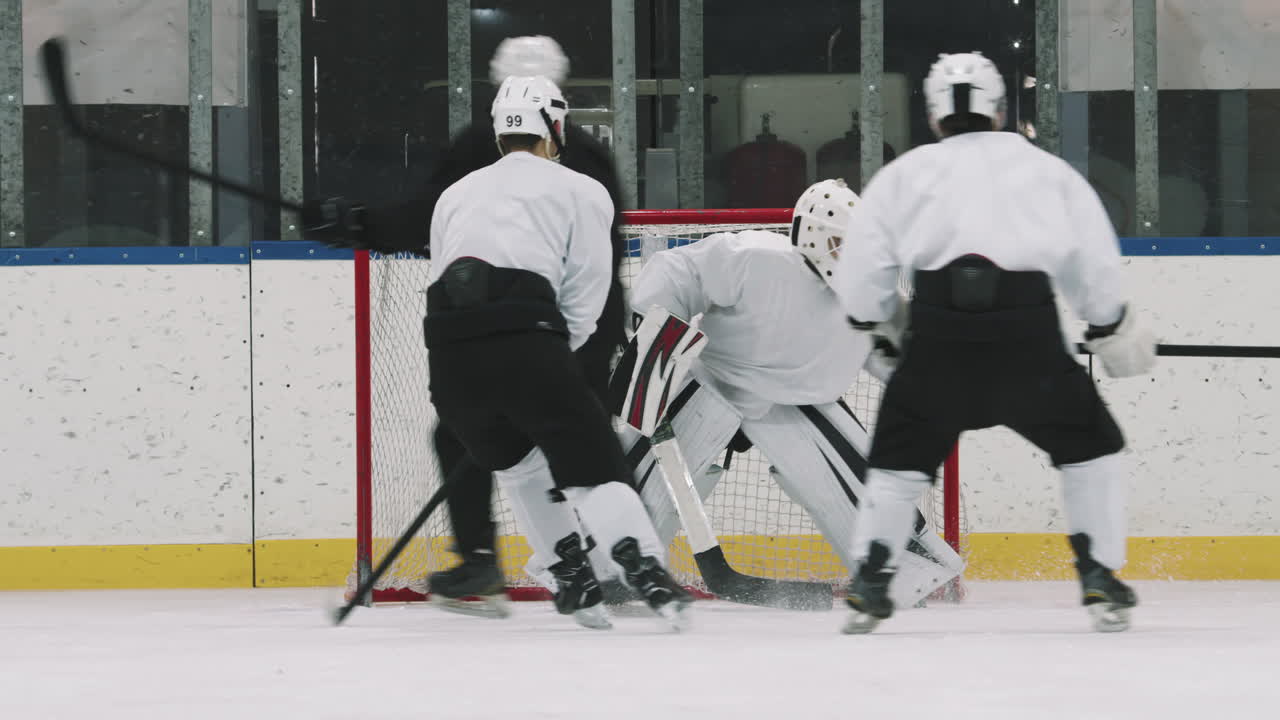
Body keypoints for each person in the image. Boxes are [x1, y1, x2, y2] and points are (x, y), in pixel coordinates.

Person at [832, 52, 1157, 634]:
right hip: (1027, 345)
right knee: (1091, 449)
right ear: (1002, 110)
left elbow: (862, 274)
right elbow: (1093, 263)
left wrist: (879, 325)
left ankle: (871, 578)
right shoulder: (1048, 172)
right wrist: (1108, 326)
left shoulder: (905, 175)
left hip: (936, 344)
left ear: (933, 115)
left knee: (898, 463)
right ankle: (1100, 576)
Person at [304, 36, 633, 607]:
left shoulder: (484, 145)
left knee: (467, 433)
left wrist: (358, 224)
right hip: (579, 324)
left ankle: (485, 558)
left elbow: (426, 219)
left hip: (506, 327)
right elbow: (603, 255)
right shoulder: (583, 150)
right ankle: (616, 561)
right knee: (581, 441)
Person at [423, 73, 691, 630]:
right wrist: (547, 357)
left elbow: (444, 277)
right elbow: (587, 293)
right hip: (527, 331)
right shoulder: (582, 189)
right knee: (590, 458)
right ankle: (641, 565)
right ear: (555, 126)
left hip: (448, 353)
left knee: (518, 461)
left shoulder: (454, 195)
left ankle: (570, 575)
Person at [617, 179, 964, 609]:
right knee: (644, 479)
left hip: (799, 405)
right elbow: (678, 272)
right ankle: (601, 565)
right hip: (714, 384)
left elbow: (903, 361)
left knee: (852, 485)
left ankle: (905, 573)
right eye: (841, 243)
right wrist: (654, 329)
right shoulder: (757, 257)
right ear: (814, 236)